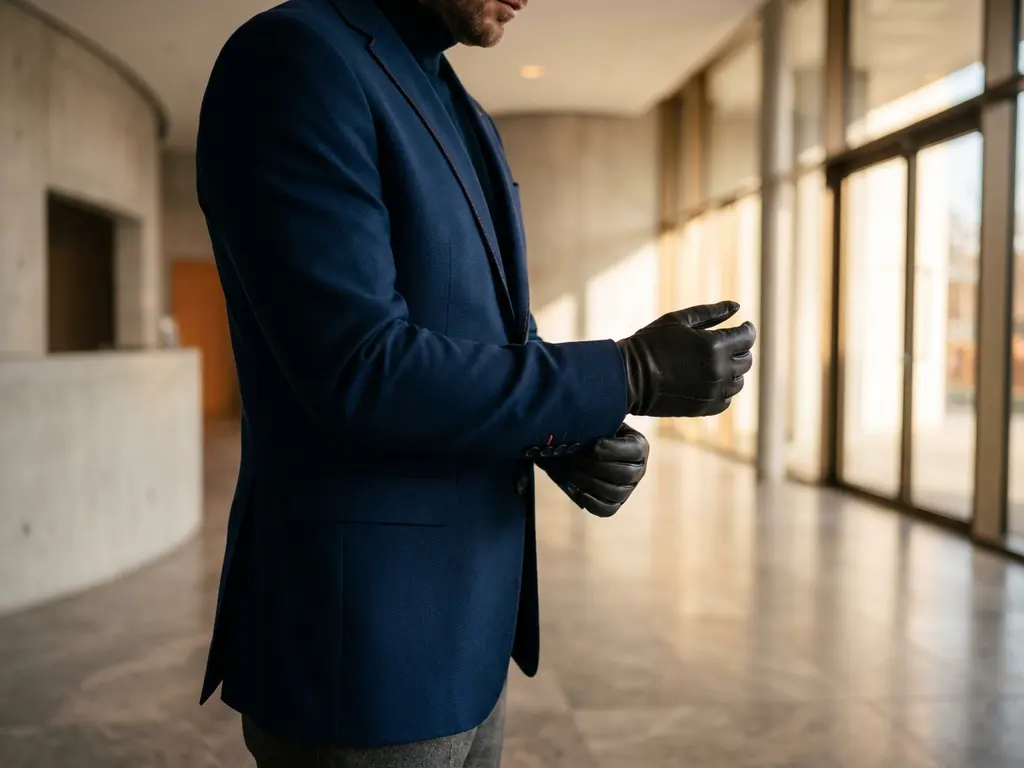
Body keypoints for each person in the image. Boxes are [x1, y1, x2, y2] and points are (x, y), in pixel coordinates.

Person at [195, 0, 756, 764]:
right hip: (360, 649)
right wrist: (628, 373)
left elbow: (482, 332)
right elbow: (358, 368)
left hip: (471, 639)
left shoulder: (460, 105)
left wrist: (562, 437)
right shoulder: (295, 60)